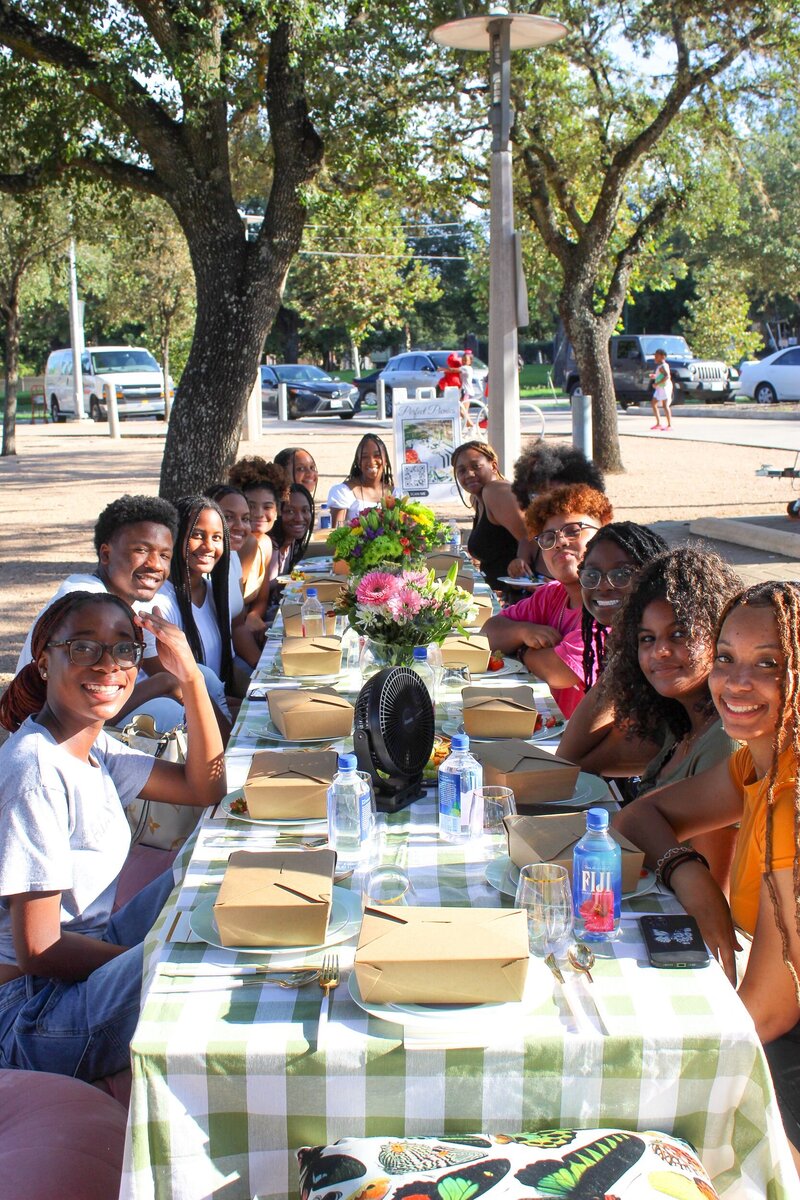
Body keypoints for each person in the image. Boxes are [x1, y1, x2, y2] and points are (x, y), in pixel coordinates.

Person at [0, 591, 225, 1082]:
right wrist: (159, 961)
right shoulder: (36, 771)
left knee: (215, 874)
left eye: (125, 649)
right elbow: (40, 949)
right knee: (208, 960)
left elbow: (205, 785)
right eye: (83, 648)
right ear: (44, 662)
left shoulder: (89, 743)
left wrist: (190, 679)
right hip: (34, 1015)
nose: (108, 666)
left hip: (82, 965)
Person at [614, 581, 800, 1167]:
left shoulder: (792, 797)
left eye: (768, 664)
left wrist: (625, 1067)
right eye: (725, 659)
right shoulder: (759, 760)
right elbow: (644, 815)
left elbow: (767, 1013)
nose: (736, 683)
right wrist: (693, 881)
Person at [594, 547, 742, 887]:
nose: (659, 650)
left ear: (722, 635)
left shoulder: (725, 740)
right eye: (646, 639)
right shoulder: (680, 724)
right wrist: (622, 666)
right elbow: (574, 761)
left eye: (679, 634)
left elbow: (715, 893)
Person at [16, 495, 183, 729]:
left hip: (88, 711)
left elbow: (176, 676)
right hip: (51, 729)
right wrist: (165, 683)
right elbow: (78, 708)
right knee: (167, 713)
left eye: (164, 555)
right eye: (142, 550)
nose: (155, 564)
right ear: (106, 554)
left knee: (199, 679)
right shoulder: (86, 603)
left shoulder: (133, 600)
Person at [482, 483, 613, 718]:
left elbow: (560, 670)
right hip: (550, 725)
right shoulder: (552, 594)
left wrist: (522, 652)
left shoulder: (609, 605)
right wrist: (523, 632)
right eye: (548, 537)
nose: (560, 542)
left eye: (573, 530)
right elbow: (488, 634)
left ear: (603, 533)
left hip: (584, 748)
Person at [146, 496, 233, 715]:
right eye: (197, 535)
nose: (208, 546)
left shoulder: (214, 593)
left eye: (216, 537)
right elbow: (176, 688)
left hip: (213, 704)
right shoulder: (157, 603)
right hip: (179, 716)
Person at [508, 441, 606, 579]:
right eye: (536, 494)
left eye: (572, 531)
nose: (561, 542)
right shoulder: (532, 539)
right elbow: (520, 581)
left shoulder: (598, 539)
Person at [451, 441, 531, 591]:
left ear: (493, 466)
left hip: (519, 597)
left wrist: (521, 562)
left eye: (476, 466)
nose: (469, 474)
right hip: (497, 591)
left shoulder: (496, 491)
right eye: (461, 471)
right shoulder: (476, 499)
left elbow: (530, 536)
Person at [227, 457, 289, 608]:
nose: (258, 514)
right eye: (251, 506)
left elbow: (261, 601)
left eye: (267, 507)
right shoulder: (232, 544)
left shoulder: (266, 543)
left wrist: (255, 617)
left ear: (277, 511)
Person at [327, 435, 394, 528]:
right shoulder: (343, 492)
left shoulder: (396, 494)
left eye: (377, 455)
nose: (371, 461)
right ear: (358, 462)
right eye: (365, 457)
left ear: (385, 460)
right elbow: (337, 531)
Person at [267, 484, 315, 604]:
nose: (299, 518)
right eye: (290, 511)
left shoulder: (292, 543)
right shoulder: (268, 546)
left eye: (305, 510)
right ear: (277, 513)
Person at [650, 348, 673, 431]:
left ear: (662, 357)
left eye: (657, 356)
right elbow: (661, 375)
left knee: (665, 405)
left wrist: (657, 383)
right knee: (653, 403)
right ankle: (658, 423)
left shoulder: (663, 366)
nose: (655, 357)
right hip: (660, 388)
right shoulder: (660, 366)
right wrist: (655, 376)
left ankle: (669, 425)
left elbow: (666, 376)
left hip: (664, 387)